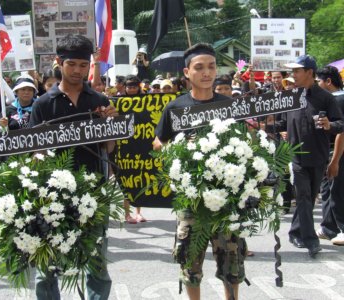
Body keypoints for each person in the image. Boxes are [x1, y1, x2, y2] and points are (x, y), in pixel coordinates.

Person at [153, 43, 247, 300]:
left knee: (232, 260)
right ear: (186, 72)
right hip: (191, 199)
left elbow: (245, 142)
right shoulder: (175, 107)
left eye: (211, 67)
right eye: (199, 68)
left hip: (226, 198)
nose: (207, 73)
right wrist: (178, 151)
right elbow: (158, 142)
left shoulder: (230, 105)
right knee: (190, 261)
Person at [29, 34, 118, 300]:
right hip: (52, 197)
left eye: (83, 64)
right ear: (59, 62)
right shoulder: (43, 104)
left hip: (94, 193)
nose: (78, 70)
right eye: (72, 64)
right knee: (48, 267)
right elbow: (36, 154)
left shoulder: (100, 101)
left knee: (97, 264)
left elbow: (109, 149)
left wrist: (110, 125)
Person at [279, 55, 344, 257]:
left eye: (297, 71)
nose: (293, 75)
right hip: (296, 157)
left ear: (309, 73)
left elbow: (340, 124)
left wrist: (329, 125)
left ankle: (296, 231)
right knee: (305, 196)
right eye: (292, 71)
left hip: (318, 157)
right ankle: (310, 240)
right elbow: (281, 122)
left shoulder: (326, 98)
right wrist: (282, 132)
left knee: (310, 195)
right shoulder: (289, 96)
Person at [316, 66, 344, 245]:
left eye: (319, 80)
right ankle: (329, 227)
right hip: (329, 151)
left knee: (338, 191)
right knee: (327, 189)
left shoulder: (339, 100)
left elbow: (342, 132)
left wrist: (335, 160)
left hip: (338, 151)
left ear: (328, 81)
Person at [122, 74, 147, 224]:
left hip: (142, 143)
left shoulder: (146, 101)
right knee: (126, 181)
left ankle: (138, 212)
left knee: (140, 179)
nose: (131, 89)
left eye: (134, 86)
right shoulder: (118, 102)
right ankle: (127, 214)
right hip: (124, 146)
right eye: (129, 86)